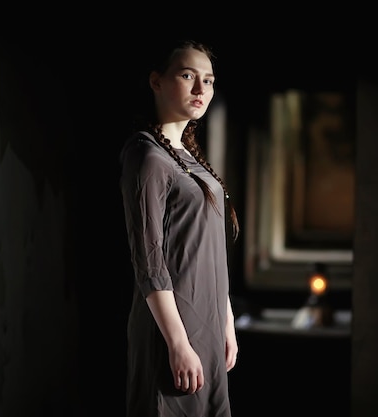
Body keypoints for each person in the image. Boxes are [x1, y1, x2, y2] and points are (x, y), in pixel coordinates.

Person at [118, 39, 240, 417]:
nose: (201, 89)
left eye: (209, 80)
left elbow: (210, 249)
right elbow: (149, 261)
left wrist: (227, 318)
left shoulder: (187, 156)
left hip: (206, 320)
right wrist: (177, 343)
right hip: (173, 326)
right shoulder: (147, 154)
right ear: (156, 81)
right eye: (188, 76)